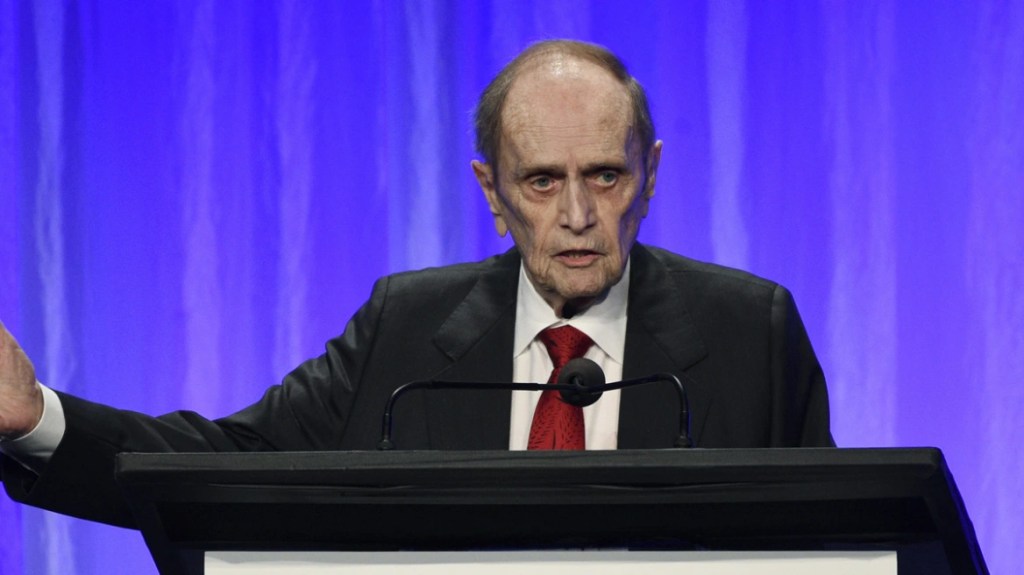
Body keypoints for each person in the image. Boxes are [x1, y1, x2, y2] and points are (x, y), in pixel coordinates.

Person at [0, 40, 833, 529]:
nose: (578, 214)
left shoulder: (748, 331)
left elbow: (833, 538)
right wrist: (38, 418)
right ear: (492, 193)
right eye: (542, 181)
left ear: (650, 176)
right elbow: (230, 464)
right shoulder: (406, 326)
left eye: (605, 175)